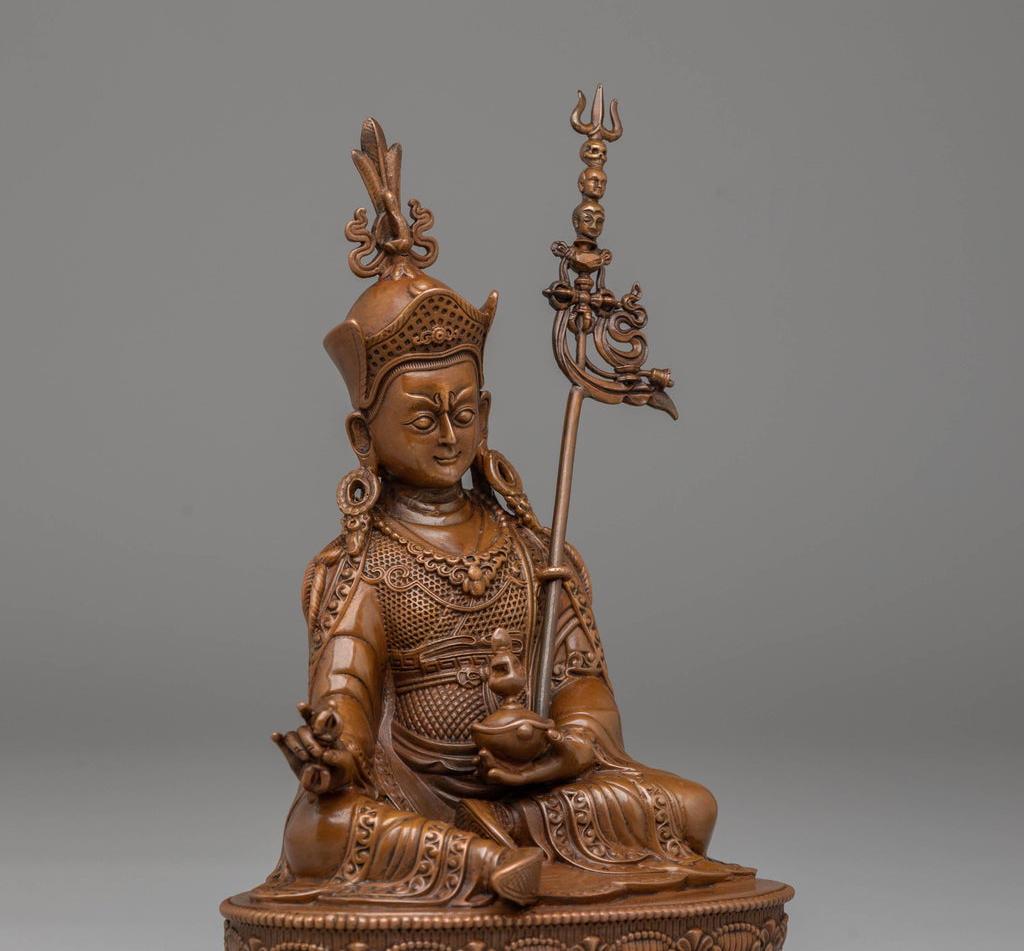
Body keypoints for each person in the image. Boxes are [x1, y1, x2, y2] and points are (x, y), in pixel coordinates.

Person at [257, 123, 750, 908]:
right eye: (423, 418)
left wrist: (565, 750)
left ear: (485, 413)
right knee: (320, 831)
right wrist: (335, 752)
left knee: (692, 808)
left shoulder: (534, 550)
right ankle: (484, 865)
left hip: (530, 800)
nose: (449, 435)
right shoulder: (363, 564)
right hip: (413, 795)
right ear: (363, 436)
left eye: (463, 412)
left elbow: (585, 692)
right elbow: (345, 692)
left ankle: (493, 857)